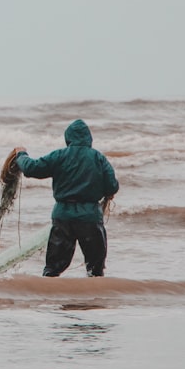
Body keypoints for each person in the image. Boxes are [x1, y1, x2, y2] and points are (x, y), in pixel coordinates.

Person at [14, 119, 119, 277]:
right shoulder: (98, 158)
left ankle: (50, 297)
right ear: (89, 138)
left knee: (52, 270)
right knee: (95, 270)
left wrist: (21, 154)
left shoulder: (59, 156)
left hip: (63, 217)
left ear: (68, 138)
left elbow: (31, 169)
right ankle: (93, 301)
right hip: (90, 217)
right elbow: (112, 187)